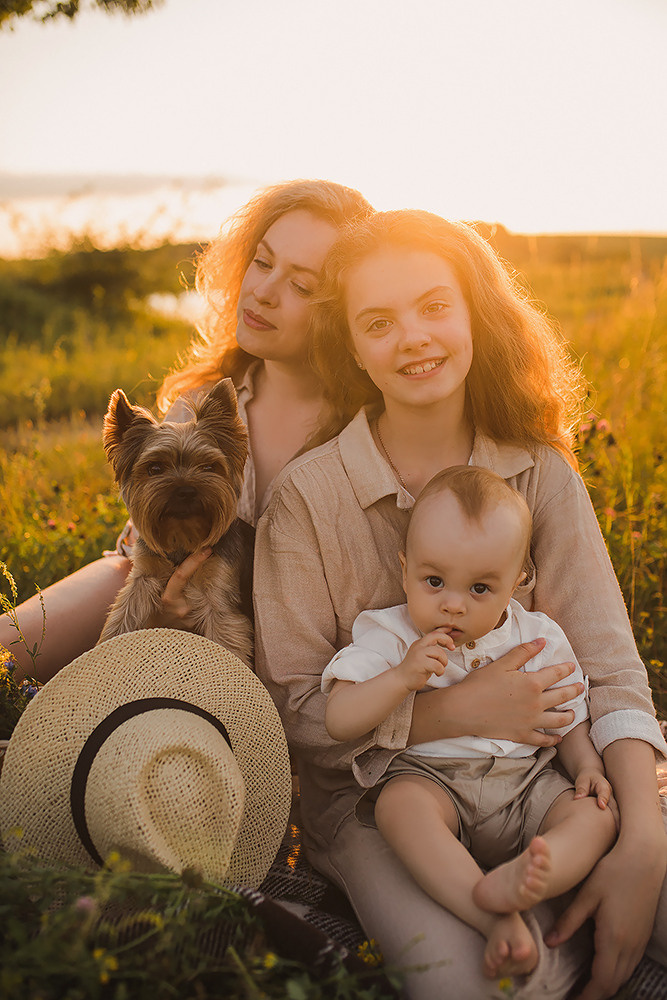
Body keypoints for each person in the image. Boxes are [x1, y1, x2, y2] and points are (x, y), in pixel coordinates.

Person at [253, 209, 667, 1000]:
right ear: (350, 346)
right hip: (378, 803)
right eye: (379, 322)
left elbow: (609, 667)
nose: (413, 337)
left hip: (542, 780)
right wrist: (456, 713)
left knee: (635, 878)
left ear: (474, 310)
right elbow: (297, 714)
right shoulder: (309, 498)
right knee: (470, 985)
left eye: (434, 306)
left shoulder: (538, 472)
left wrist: (638, 841)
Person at [1, 179, 373, 682]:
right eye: (261, 262)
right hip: (144, 585)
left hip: (282, 646)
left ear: (344, 309)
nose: (262, 292)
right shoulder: (199, 403)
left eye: (301, 286)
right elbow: (142, 552)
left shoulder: (363, 434)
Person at [322, 465, 617, 981]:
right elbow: (338, 720)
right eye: (433, 581)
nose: (452, 604)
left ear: (518, 582)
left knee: (593, 814)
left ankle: (536, 876)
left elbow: (567, 710)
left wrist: (588, 764)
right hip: (434, 782)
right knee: (398, 808)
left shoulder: (536, 635)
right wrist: (401, 677)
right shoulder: (390, 635)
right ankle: (488, 911)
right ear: (404, 566)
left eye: (480, 588)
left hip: (526, 785)